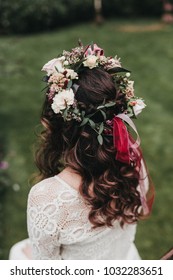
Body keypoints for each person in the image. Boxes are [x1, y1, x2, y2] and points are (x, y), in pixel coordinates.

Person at [9, 41, 154, 260]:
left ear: (53, 124)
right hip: (124, 261)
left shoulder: (46, 197)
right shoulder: (132, 159)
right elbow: (140, 212)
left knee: (17, 253)